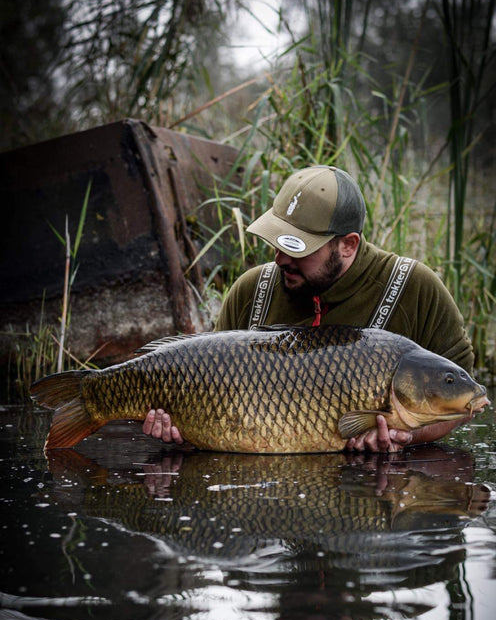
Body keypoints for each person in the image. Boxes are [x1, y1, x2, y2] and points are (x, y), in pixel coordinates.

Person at [143, 165, 475, 453]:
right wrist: (183, 427)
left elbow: (461, 401)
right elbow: (207, 384)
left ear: (348, 245)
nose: (280, 259)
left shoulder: (415, 287)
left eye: (297, 248)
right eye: (277, 240)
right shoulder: (250, 290)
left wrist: (407, 436)